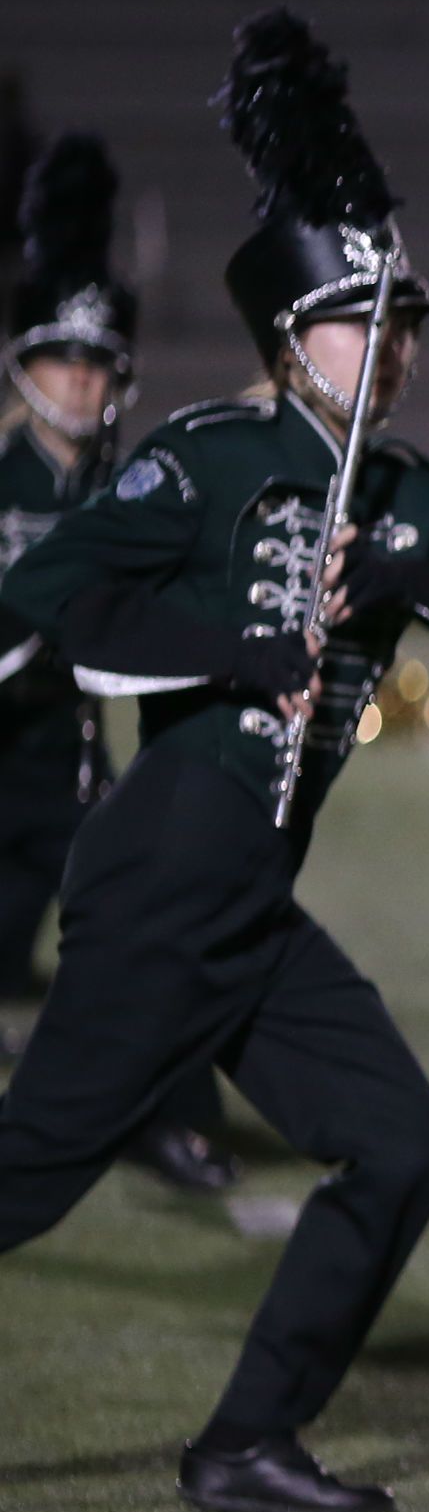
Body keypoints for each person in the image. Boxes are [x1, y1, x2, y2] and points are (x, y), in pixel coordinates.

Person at [0, 12, 429, 1512]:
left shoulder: (402, 488)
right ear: (288, 336)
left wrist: (393, 565)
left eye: (408, 320)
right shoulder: (209, 459)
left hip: (258, 910)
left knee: (401, 1144)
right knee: (22, 1181)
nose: (401, 347)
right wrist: (229, 646)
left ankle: (244, 1439)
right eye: (366, 318)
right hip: (158, 890)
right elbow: (48, 595)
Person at [0, 131, 239, 1191]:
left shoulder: (133, 483)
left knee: (137, 917)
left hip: (61, 752)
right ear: (26, 361)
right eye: (65, 357)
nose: (85, 379)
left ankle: (170, 1116)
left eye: (98, 361)